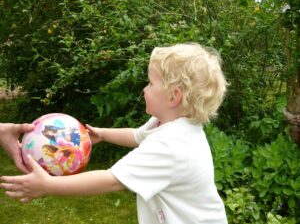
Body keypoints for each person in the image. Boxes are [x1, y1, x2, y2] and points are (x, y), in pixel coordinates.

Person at [0, 43, 228, 224]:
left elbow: (111, 181)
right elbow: (137, 136)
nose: (144, 89)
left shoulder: (172, 146)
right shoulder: (166, 123)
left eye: (150, 83)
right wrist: (102, 133)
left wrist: (48, 185)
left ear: (173, 96)